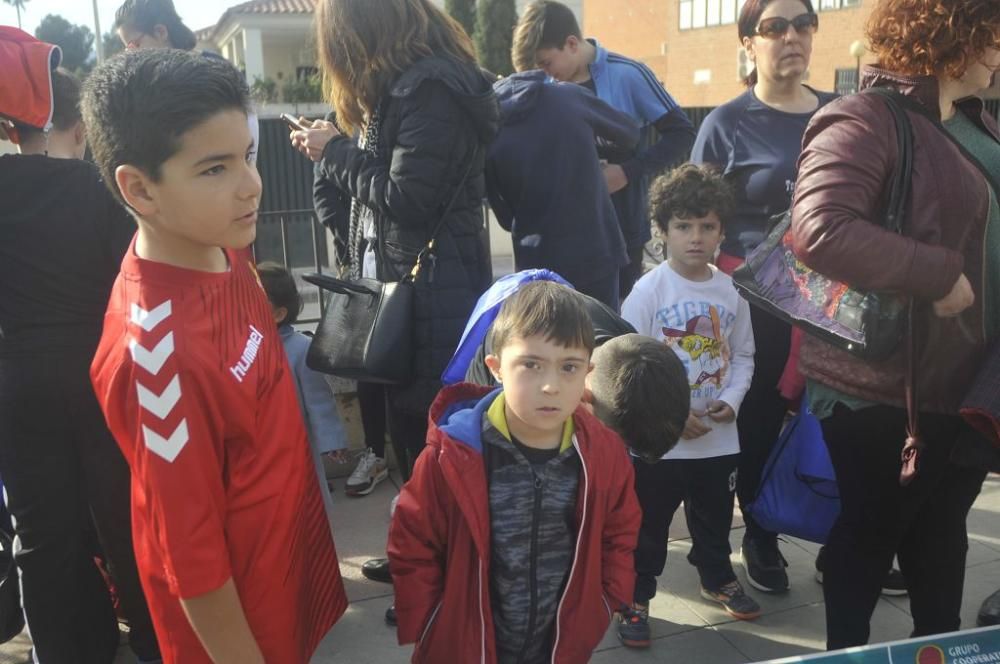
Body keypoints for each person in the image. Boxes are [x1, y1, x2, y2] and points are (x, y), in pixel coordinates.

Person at [83, 49, 347, 662]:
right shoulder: (154, 357)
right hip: (239, 631)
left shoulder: (226, 247)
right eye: (214, 168)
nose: (251, 184)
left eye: (247, 156)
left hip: (287, 572)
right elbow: (190, 557)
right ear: (139, 188)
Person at [789, 0, 1000, 649]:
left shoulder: (975, 122)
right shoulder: (865, 117)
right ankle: (848, 658)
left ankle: (940, 649)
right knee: (872, 532)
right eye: (994, 36)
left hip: (964, 379)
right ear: (951, 37)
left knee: (941, 531)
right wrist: (937, 273)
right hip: (883, 389)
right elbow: (819, 229)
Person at [291, 0, 496, 478]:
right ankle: (419, 546)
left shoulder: (431, 88)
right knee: (417, 438)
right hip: (415, 285)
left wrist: (334, 152)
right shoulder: (411, 87)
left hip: (432, 288)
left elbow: (406, 197)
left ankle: (440, 551)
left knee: (433, 441)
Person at [0, 54, 160, 663]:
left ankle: (70, 650)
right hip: (102, 368)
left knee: (41, 533)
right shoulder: (94, 186)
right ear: (71, 125)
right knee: (127, 517)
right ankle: (153, 640)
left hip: (17, 373)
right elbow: (135, 280)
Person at [388, 281, 642, 663]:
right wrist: (430, 620)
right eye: (530, 364)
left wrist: (607, 599)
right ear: (496, 369)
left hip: (559, 645)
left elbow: (619, 529)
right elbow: (413, 541)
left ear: (587, 374)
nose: (550, 385)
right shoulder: (450, 456)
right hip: (464, 643)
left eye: (568, 367)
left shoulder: (604, 453)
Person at [688, 0, 841, 596]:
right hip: (757, 304)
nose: (792, 36)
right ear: (749, 42)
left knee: (835, 421)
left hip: (834, 301)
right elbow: (695, 217)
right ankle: (759, 528)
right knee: (756, 420)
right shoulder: (726, 123)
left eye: (804, 24)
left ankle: (843, 537)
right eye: (775, 27)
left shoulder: (840, 113)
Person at [618, 164, 759, 646]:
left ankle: (716, 575)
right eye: (683, 226)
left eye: (706, 226)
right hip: (660, 443)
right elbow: (627, 367)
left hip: (718, 440)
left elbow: (742, 355)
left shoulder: (732, 290)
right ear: (662, 231)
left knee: (715, 519)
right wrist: (671, 419)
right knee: (648, 527)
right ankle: (635, 596)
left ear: (721, 230)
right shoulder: (648, 291)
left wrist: (732, 402)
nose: (695, 237)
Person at [512, 0, 696, 299]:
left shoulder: (628, 74)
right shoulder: (544, 86)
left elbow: (682, 133)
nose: (543, 74)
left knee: (615, 333)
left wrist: (626, 172)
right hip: (558, 236)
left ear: (571, 43)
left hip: (621, 233)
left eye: (546, 64)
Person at [486, 68, 639, 310]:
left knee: (546, 342)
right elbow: (629, 133)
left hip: (536, 260)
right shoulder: (566, 96)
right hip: (596, 246)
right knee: (602, 340)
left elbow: (504, 216)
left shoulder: (489, 126)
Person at [114, 0, 260, 159]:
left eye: (134, 45)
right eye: (128, 50)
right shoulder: (158, 82)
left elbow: (247, 139)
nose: (132, 56)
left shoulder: (213, 71)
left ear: (160, 32)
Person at [257, 262, 349, 494]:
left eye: (253, 299)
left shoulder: (299, 348)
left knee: (303, 493)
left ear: (278, 314)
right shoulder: (240, 347)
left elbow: (319, 400)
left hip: (296, 443)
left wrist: (331, 441)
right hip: (258, 443)